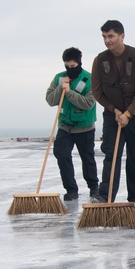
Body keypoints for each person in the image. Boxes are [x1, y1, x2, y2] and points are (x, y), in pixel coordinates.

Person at [90, 20, 135, 210]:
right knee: (111, 154)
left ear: (122, 36)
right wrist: (115, 111)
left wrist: (128, 113)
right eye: (104, 37)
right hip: (113, 115)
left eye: (111, 36)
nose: (107, 41)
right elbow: (97, 91)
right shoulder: (100, 60)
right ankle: (105, 195)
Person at [44, 47, 99, 201]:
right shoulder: (59, 78)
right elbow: (50, 100)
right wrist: (61, 89)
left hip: (84, 126)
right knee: (61, 155)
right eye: (67, 66)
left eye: (73, 66)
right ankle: (71, 189)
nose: (69, 69)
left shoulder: (89, 79)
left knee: (87, 158)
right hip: (65, 126)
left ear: (79, 63)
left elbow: (88, 103)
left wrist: (69, 92)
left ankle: (94, 187)